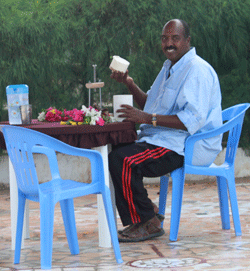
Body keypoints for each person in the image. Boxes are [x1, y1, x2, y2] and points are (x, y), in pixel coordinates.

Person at [109, 19, 222, 242]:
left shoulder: (196, 70)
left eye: (175, 38)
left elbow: (190, 120)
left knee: (123, 160)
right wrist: (129, 83)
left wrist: (146, 118)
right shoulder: (169, 67)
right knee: (117, 146)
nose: (169, 43)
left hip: (186, 144)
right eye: (164, 38)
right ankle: (148, 212)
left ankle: (147, 222)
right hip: (163, 137)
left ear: (187, 41)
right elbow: (150, 105)